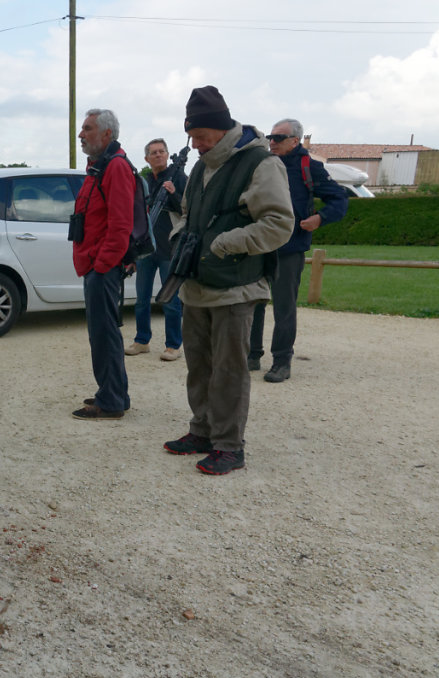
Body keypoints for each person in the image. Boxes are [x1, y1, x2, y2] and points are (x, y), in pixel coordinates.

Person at [163, 85, 293, 475]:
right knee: (198, 365)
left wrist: (225, 243)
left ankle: (229, 446)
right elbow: (188, 212)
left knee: (230, 369)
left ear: (220, 130)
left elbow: (279, 223)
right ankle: (201, 430)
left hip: (236, 286)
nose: (196, 144)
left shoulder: (261, 163)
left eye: (201, 137)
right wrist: (179, 235)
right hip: (197, 285)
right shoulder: (202, 165)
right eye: (192, 137)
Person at [249, 118, 348, 382]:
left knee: (283, 306)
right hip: (259, 244)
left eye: (278, 138)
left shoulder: (309, 167)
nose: (271, 142)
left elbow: (339, 199)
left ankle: (282, 361)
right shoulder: (262, 164)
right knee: (253, 301)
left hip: (290, 247)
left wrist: (320, 218)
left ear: (295, 141)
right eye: (270, 137)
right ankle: (251, 355)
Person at [69, 109, 133, 420]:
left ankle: (111, 401)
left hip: (102, 268)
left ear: (106, 134)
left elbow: (121, 226)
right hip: (95, 265)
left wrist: (102, 265)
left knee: (105, 334)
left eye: (88, 129)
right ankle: (113, 392)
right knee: (103, 333)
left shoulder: (115, 167)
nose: (81, 135)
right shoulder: (100, 166)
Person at [125, 138, 186, 361]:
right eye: (154, 152)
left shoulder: (179, 177)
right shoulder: (144, 181)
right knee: (141, 299)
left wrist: (173, 194)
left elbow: (188, 209)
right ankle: (142, 341)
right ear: (146, 159)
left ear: (168, 154)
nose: (159, 155)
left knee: (170, 300)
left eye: (162, 151)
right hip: (146, 249)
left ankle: (173, 345)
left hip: (169, 248)